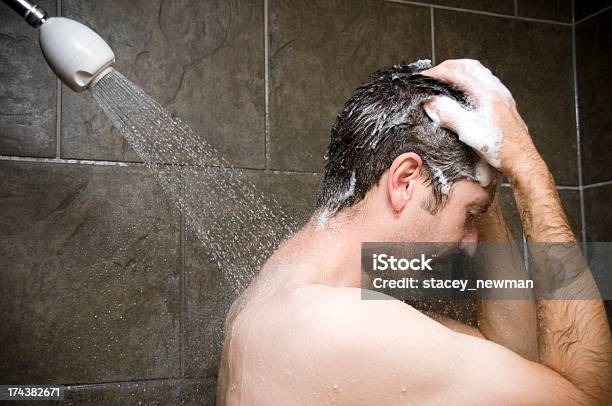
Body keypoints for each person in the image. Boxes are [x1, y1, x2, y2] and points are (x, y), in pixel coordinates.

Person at [216, 59, 611, 405]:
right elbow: (588, 399)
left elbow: (517, 356)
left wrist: (482, 173)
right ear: (405, 181)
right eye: (471, 214)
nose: (471, 240)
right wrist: (528, 171)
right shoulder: (342, 328)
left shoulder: (285, 287)